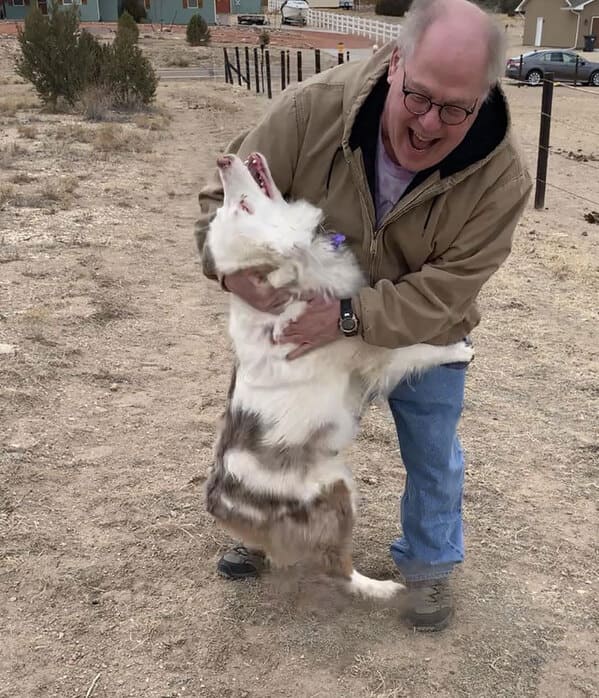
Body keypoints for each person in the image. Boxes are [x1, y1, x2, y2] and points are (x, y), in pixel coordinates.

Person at [194, 0, 532, 631]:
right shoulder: (310, 109)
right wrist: (228, 268)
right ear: (395, 62)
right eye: (421, 97)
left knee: (434, 452)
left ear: (483, 97)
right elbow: (223, 198)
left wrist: (351, 318)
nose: (431, 123)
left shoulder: (502, 178)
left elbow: (449, 290)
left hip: (418, 330)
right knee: (266, 420)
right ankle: (254, 528)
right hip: (312, 307)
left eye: (457, 109)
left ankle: (430, 567)